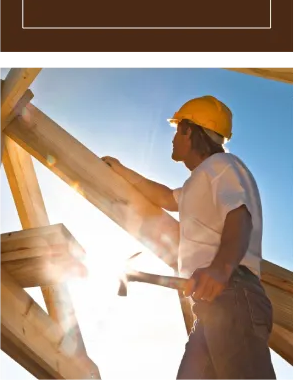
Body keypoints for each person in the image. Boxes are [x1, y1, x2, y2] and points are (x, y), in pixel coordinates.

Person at [102, 95, 276, 380]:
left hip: (233, 293)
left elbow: (239, 215)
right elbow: (165, 198)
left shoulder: (223, 165)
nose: (173, 139)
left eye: (176, 130)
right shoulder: (200, 180)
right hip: (212, 304)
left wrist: (221, 268)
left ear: (189, 130)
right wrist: (121, 170)